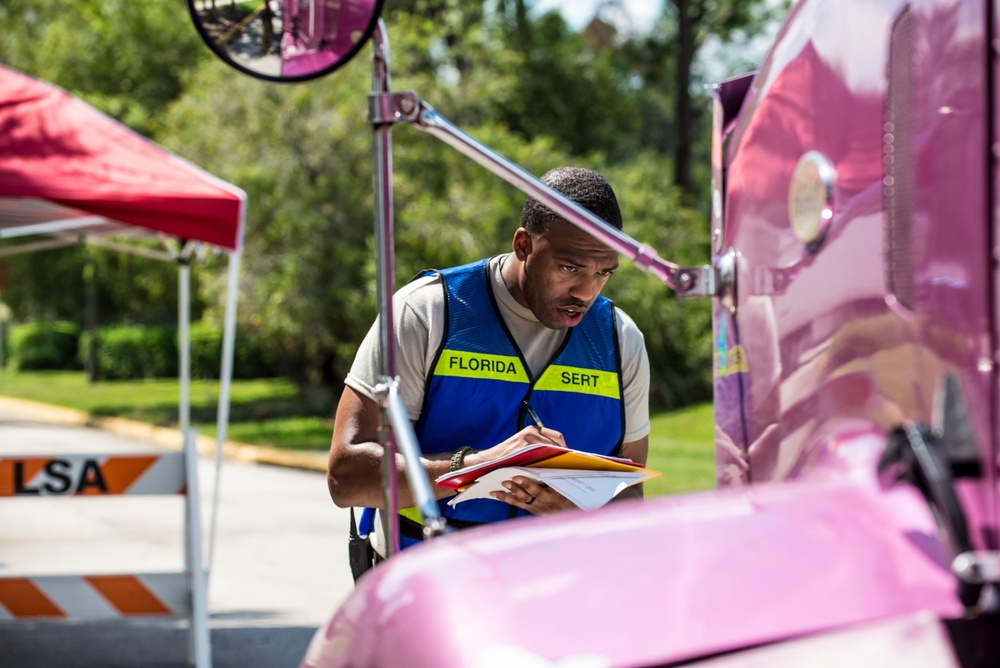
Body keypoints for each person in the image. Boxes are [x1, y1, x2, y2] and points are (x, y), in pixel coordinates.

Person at [328, 166, 650, 563]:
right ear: (523, 245)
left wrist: (579, 512)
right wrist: (478, 467)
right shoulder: (425, 312)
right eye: (570, 267)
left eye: (603, 272)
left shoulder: (621, 339)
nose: (586, 291)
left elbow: (630, 495)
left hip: (562, 594)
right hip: (430, 584)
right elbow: (345, 477)